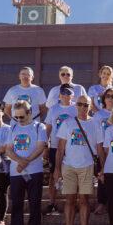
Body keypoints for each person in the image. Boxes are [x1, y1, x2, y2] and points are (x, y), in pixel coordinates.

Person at [55, 95, 105, 225]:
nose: (83, 107)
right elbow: (60, 148)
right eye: (81, 104)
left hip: (87, 165)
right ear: (76, 105)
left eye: (86, 105)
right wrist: (57, 169)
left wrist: (103, 168)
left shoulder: (95, 124)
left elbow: (100, 150)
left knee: (84, 200)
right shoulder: (68, 123)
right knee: (69, 200)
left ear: (90, 106)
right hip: (69, 165)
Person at [4, 100, 47, 225]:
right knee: (16, 204)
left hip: (34, 172)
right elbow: (8, 149)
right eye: (16, 117)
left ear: (30, 113)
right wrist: (20, 161)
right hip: (16, 173)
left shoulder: (39, 127)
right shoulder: (13, 127)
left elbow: (41, 147)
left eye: (22, 117)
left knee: (35, 204)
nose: (19, 120)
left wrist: (25, 161)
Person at [43, 85, 78, 216]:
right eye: (63, 93)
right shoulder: (53, 109)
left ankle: (75, 203)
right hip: (55, 146)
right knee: (53, 175)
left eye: (68, 93)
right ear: (59, 95)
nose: (66, 95)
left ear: (72, 95)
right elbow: (48, 128)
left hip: (73, 147)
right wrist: (45, 146)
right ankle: (52, 202)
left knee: (74, 175)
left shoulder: (76, 108)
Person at [91, 87, 113, 216]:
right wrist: (102, 156)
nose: (110, 98)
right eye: (108, 96)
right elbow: (97, 138)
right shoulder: (98, 115)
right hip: (102, 149)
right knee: (103, 177)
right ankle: (102, 203)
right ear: (104, 99)